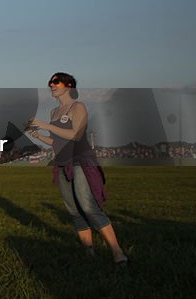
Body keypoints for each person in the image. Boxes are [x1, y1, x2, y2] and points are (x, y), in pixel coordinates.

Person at [26, 72, 128, 264]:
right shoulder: (54, 113)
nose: (51, 85)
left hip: (81, 160)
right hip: (63, 162)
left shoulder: (78, 107)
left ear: (69, 85)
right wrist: (38, 135)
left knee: (88, 207)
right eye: (50, 82)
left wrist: (44, 124)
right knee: (73, 210)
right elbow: (57, 142)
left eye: (56, 81)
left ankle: (117, 252)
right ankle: (89, 254)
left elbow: (74, 134)